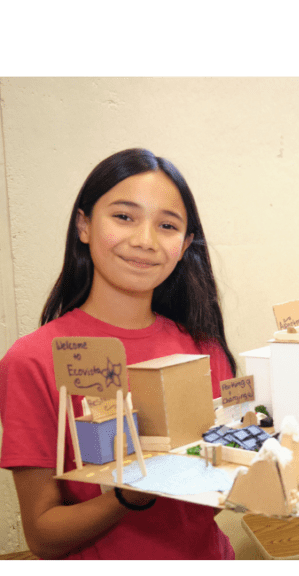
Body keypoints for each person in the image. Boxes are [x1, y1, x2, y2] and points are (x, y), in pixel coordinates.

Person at [0, 148, 237, 560]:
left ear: (185, 245)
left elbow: (220, 480)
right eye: (124, 216)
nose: (144, 241)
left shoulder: (203, 346)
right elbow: (42, 537)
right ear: (84, 225)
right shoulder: (33, 360)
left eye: (167, 225)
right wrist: (127, 498)